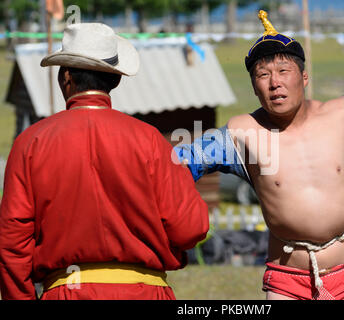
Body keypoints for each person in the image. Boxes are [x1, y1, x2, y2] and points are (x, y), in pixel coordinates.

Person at [174, 10, 344, 300]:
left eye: (283, 71)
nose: (274, 82)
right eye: (262, 75)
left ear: (304, 77)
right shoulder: (242, 135)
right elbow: (182, 161)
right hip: (286, 283)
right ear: (255, 88)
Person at [0, 23, 209, 300]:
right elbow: (190, 228)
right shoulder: (150, 139)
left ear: (65, 77)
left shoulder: (30, 142)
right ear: (115, 79)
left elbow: (12, 244)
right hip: (145, 293)